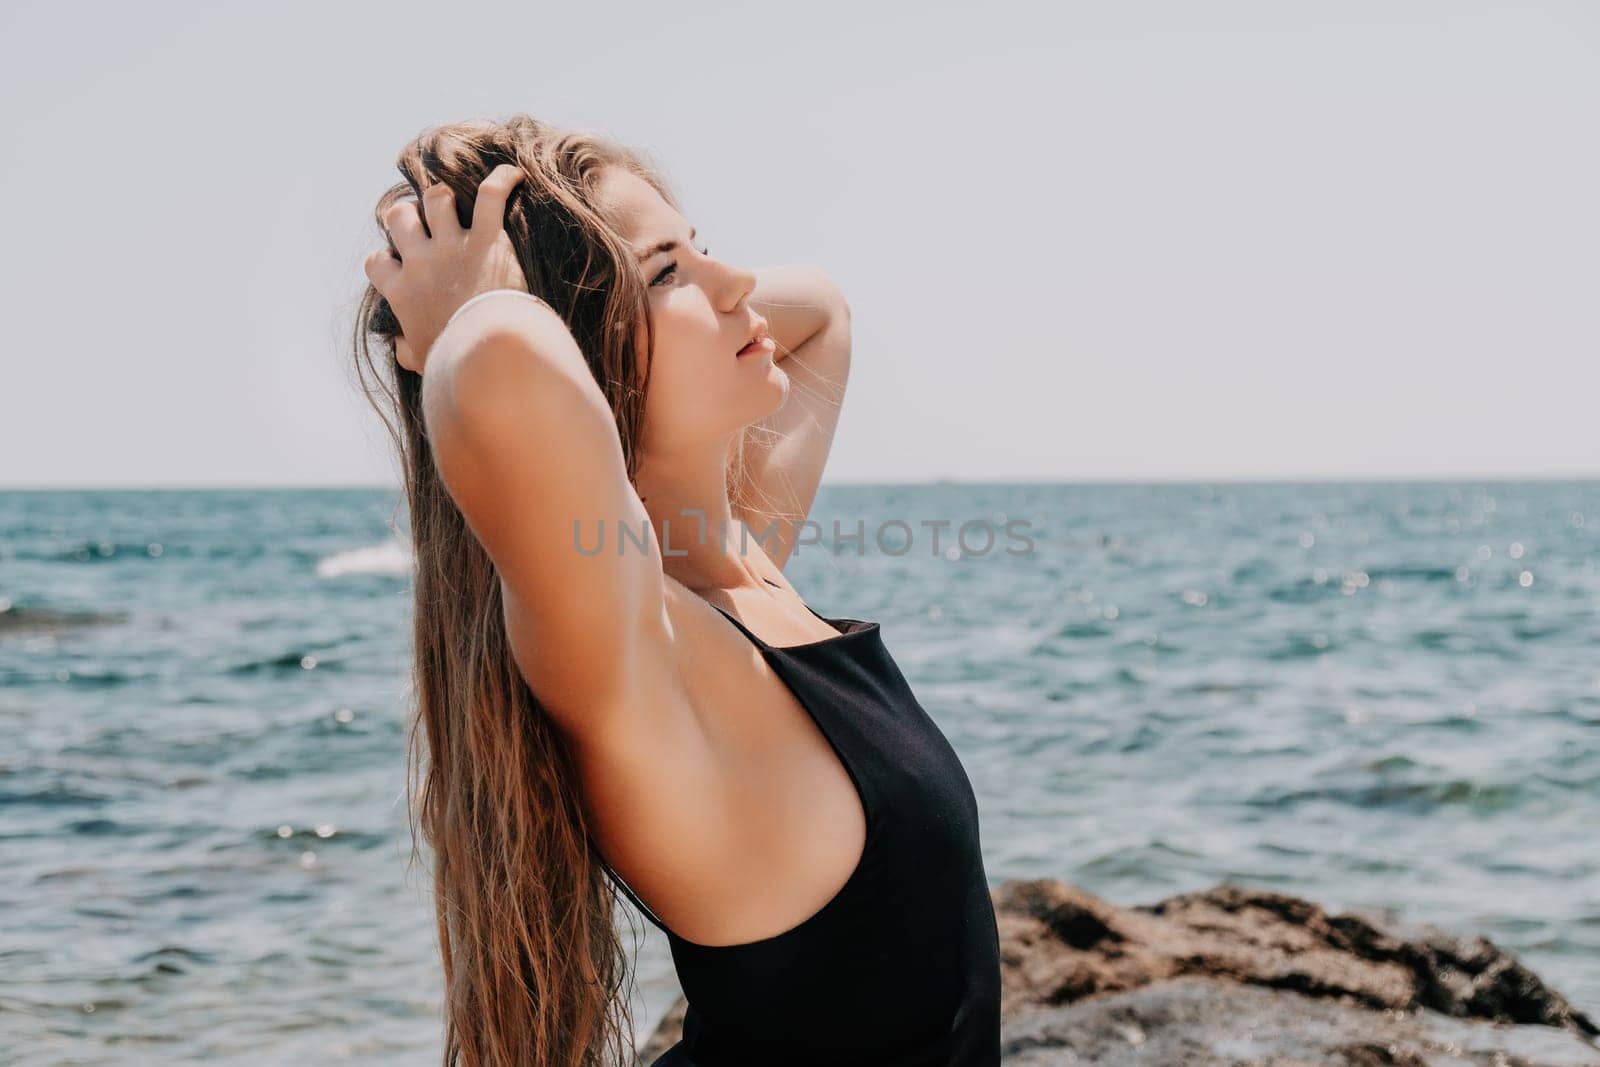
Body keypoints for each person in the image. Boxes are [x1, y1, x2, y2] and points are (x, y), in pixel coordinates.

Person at [354, 114, 1001, 1066]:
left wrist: (653, 279)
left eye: (704, 248)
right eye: (665, 275)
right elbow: (501, 364)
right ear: (580, 349)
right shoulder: (641, 654)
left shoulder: (736, 561)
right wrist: (469, 310)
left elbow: (821, 311)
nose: (736, 284)